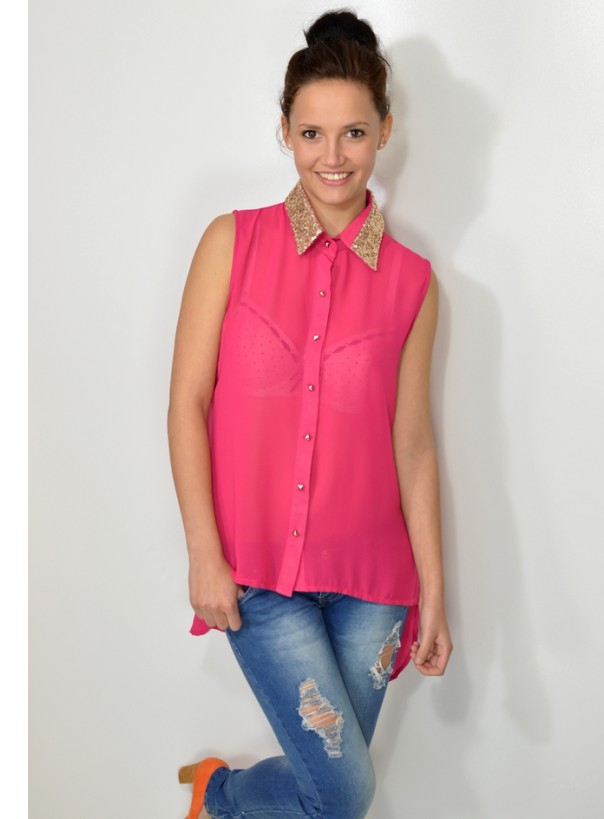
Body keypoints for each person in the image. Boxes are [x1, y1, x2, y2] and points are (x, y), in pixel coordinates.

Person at [168, 9, 452, 819]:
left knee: (328, 796)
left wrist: (433, 593)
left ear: (384, 130)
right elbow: (187, 402)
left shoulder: (414, 283)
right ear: (286, 133)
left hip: (374, 589)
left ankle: (218, 797)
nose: (333, 156)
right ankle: (223, 794)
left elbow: (413, 444)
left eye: (354, 132)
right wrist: (203, 553)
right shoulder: (231, 243)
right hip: (258, 578)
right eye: (312, 133)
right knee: (343, 795)